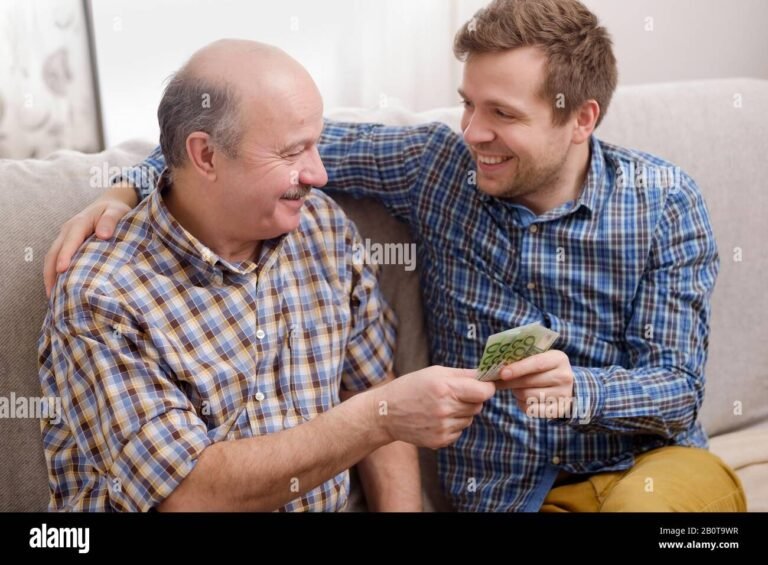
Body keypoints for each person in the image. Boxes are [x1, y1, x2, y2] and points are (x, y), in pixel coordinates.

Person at [45, 0, 746, 512]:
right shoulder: (434, 167)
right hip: (514, 498)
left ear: (581, 117)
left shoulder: (663, 201)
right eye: (466, 104)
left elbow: (678, 386)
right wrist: (129, 187)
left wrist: (579, 392)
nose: (471, 131)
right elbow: (244, 150)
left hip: (650, 467)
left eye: (501, 113)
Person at [38, 39, 496, 512]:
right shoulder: (101, 293)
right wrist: (377, 420)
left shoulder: (322, 227)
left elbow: (373, 384)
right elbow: (187, 493)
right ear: (207, 157)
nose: (318, 173)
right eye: (293, 152)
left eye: (316, 145)